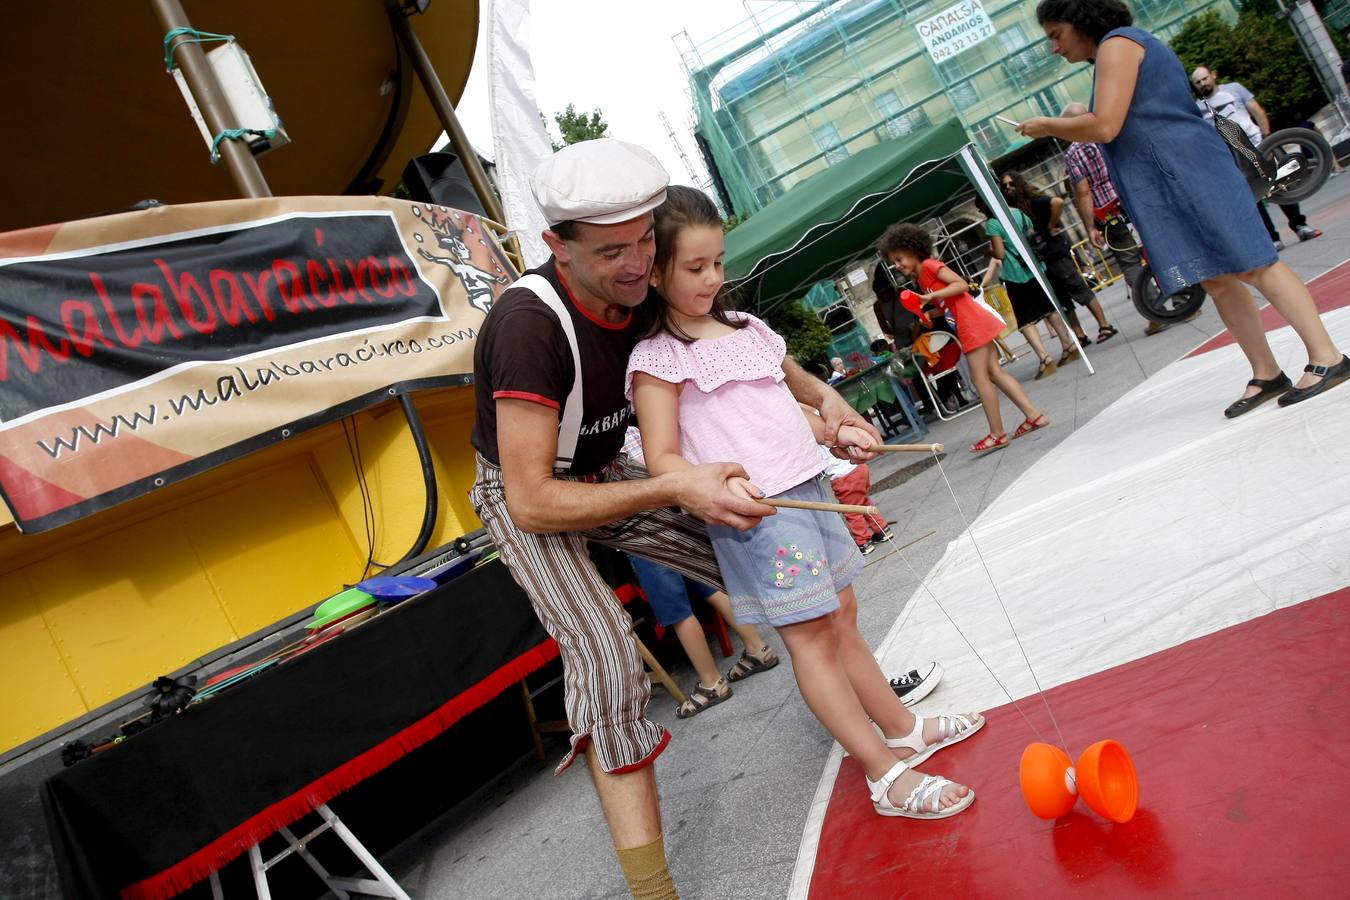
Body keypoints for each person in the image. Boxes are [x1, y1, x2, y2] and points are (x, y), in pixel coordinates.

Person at [469, 139, 886, 898]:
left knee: (784, 548)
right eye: (610, 252)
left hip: (614, 470)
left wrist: (823, 405)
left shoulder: (645, 290)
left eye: (644, 245)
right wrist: (675, 488)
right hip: (531, 493)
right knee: (607, 656)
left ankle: (872, 702)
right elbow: (533, 498)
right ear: (554, 245)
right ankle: (654, 892)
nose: (633, 268)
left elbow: (739, 360)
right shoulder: (529, 326)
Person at [628, 185, 985, 820]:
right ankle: (884, 774)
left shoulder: (750, 330)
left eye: (718, 263)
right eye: (695, 268)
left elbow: (805, 390)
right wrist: (716, 482)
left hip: (810, 488)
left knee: (843, 618)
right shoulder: (657, 359)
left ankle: (900, 726)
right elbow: (663, 460)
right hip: (757, 517)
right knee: (813, 639)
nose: (714, 278)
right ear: (654, 271)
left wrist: (837, 414)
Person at [1021, 0, 1349, 415]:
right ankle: (1266, 371)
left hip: (1188, 170)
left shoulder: (1117, 45)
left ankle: (1328, 357)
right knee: (1218, 277)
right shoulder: (1116, 48)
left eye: (1056, 34)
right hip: (1175, 174)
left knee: (1253, 263)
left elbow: (1105, 125)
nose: (1054, 47)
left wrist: (1047, 124)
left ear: (1081, 21)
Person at [621, 428, 781, 718]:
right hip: (679, 515)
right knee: (707, 585)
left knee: (675, 610)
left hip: (643, 531)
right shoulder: (634, 430)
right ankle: (757, 647)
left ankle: (711, 682)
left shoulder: (598, 454)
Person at [882, 222, 1049, 454]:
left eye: (899, 259)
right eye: (894, 262)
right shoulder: (921, 279)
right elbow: (948, 302)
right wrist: (930, 313)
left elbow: (960, 285)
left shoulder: (930, 266)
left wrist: (930, 299)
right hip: (970, 322)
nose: (897, 266)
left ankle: (997, 434)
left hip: (971, 324)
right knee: (995, 374)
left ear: (913, 250)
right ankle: (1034, 416)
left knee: (980, 380)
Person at [1059, 101, 1169, 336]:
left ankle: (1157, 313)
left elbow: (1083, 192)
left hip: (1109, 214)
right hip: (1134, 199)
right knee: (1158, 249)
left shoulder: (1073, 154)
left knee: (1130, 263)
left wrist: (1089, 227)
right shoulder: (1108, 131)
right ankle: (1184, 301)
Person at [1190, 66, 1324, 249]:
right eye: (1198, 82)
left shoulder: (1234, 89)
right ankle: (1273, 239)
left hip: (1258, 145)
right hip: (1233, 156)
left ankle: (1301, 225)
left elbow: (1257, 111)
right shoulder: (1198, 108)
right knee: (1254, 196)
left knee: (1280, 184)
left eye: (1204, 78)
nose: (1202, 83)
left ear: (1213, 75)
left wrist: (1268, 139)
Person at [1000, 172, 1118, 353]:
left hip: (1055, 253)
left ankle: (1104, 325)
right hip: (1042, 258)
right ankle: (1079, 334)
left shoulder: (1032, 200)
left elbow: (1058, 202)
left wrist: (1050, 225)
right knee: (1062, 299)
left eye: (1011, 184)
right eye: (1005, 186)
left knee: (1078, 288)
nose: (1008, 188)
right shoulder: (1015, 209)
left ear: (1019, 184)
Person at [971, 194, 1075, 378]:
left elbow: (1000, 254)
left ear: (985, 207)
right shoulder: (1018, 212)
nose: (982, 213)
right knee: (1049, 308)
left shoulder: (993, 223)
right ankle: (1069, 345)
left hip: (1015, 274)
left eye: (981, 209)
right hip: (1035, 267)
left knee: (1025, 320)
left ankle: (1045, 358)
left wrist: (989, 251)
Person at [815, 441, 893, 555]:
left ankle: (863, 541)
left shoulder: (815, 443)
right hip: (860, 467)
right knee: (863, 502)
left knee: (852, 512)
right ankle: (882, 530)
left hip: (844, 478)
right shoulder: (830, 434)